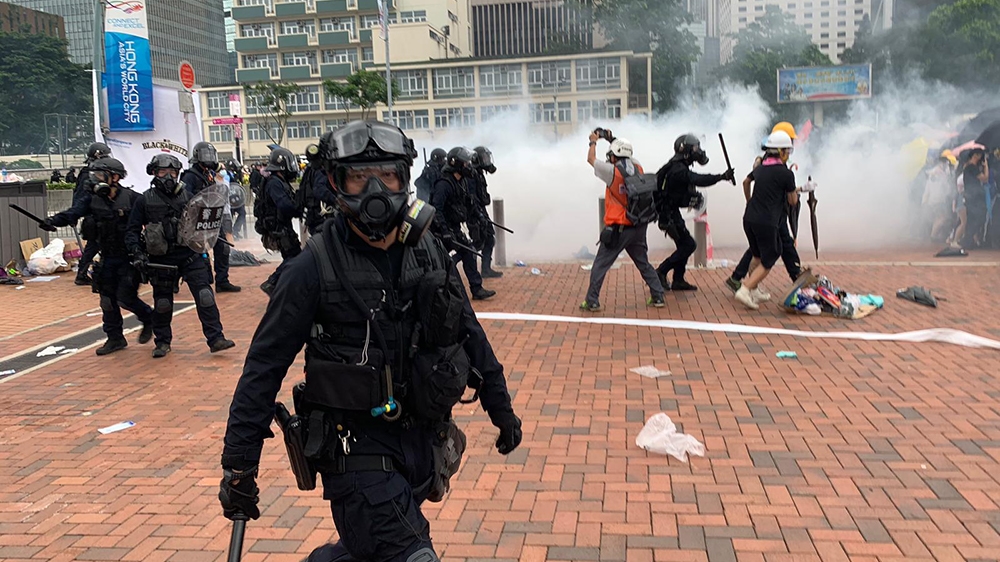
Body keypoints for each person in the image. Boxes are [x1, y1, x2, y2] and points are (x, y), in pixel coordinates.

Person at [218, 120, 522, 562]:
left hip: (420, 437)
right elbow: (263, 369)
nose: (375, 189)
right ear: (336, 185)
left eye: (388, 175)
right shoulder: (310, 270)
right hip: (353, 447)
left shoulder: (429, 249)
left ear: (404, 178)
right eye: (359, 177)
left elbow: (469, 329)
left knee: (371, 549)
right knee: (409, 553)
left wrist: (500, 404)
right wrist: (239, 465)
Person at [126, 154, 236, 358]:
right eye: (162, 172)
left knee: (205, 296)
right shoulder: (144, 200)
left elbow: (204, 223)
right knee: (163, 303)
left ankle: (216, 338)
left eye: (172, 172)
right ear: (154, 173)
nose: (168, 176)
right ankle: (162, 342)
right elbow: (132, 230)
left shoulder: (189, 197)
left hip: (190, 255)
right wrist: (137, 252)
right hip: (161, 260)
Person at [42, 157, 153, 355]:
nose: (95, 179)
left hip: (129, 258)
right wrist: (52, 221)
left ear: (115, 177)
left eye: (100, 175)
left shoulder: (132, 198)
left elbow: (151, 221)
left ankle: (148, 318)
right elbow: (72, 214)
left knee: (126, 298)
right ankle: (115, 338)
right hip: (107, 257)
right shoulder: (91, 200)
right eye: (94, 175)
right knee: (107, 300)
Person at [580, 131, 665, 311]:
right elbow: (626, 155)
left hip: (619, 228)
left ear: (614, 156)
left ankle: (592, 300)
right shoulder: (638, 168)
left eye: (611, 154)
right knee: (643, 263)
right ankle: (658, 295)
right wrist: (612, 140)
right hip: (639, 225)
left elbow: (591, 159)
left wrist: (593, 142)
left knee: (600, 265)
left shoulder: (612, 172)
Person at [725, 123, 803, 293]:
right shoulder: (764, 163)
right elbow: (767, 187)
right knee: (773, 248)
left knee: (763, 248)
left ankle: (740, 279)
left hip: (770, 211)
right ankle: (795, 276)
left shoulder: (766, 163)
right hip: (771, 212)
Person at [654, 134, 735, 291]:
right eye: (695, 148)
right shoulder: (678, 170)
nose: (698, 151)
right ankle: (661, 271)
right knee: (689, 245)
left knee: (683, 245)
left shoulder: (676, 166)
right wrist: (721, 177)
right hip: (668, 214)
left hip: (670, 212)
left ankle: (678, 279)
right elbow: (698, 179)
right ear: (686, 150)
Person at [431, 147, 496, 300]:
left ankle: (476, 288)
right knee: (443, 259)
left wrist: (480, 217)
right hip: (440, 229)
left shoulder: (462, 182)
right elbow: (436, 210)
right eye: (466, 163)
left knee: (468, 252)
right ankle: (444, 289)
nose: (469, 166)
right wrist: (444, 231)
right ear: (456, 164)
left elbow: (469, 202)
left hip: (453, 227)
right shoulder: (444, 184)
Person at [182, 141, 241, 293]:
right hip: (197, 220)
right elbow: (185, 197)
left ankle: (222, 280)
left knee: (222, 248)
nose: (208, 158)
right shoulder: (190, 176)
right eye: (205, 155)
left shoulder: (210, 174)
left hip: (213, 217)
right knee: (197, 253)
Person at [257, 146, 303, 295]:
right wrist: (299, 208)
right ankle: (273, 282)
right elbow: (284, 205)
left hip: (281, 226)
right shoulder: (274, 183)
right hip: (278, 228)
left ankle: (283, 285)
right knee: (294, 256)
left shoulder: (277, 181)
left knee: (291, 256)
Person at [74, 142, 113, 286]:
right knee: (93, 246)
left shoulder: (102, 173)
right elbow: (80, 195)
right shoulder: (88, 175)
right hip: (93, 217)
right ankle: (82, 274)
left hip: (104, 215)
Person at [469, 146, 503, 279]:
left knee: (488, 239)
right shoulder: (472, 175)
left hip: (480, 211)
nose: (487, 161)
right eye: (484, 158)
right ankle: (453, 261)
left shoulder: (478, 173)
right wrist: (479, 215)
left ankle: (486, 269)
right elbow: (472, 199)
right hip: (475, 213)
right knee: (478, 243)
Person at [962, 148, 989, 248]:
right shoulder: (972, 167)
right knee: (979, 217)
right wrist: (986, 167)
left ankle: (968, 241)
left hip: (970, 196)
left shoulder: (967, 166)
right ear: (976, 155)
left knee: (972, 219)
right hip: (974, 197)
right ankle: (967, 240)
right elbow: (985, 178)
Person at [227, 160, 249, 240]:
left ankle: (236, 230)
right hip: (230, 199)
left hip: (237, 199)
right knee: (230, 216)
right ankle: (230, 233)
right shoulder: (227, 175)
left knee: (242, 214)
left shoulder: (236, 175)